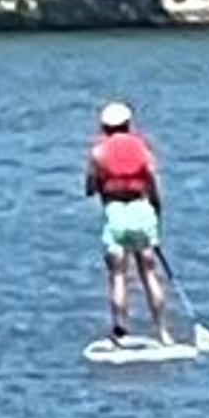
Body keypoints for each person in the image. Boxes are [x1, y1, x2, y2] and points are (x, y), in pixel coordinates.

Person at [85, 101, 173, 345]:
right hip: (142, 211)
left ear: (104, 127)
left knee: (118, 275)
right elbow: (152, 181)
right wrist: (156, 211)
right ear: (128, 124)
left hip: (116, 213)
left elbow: (90, 188)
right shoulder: (142, 149)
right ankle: (164, 333)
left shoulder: (98, 152)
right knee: (149, 273)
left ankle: (120, 332)